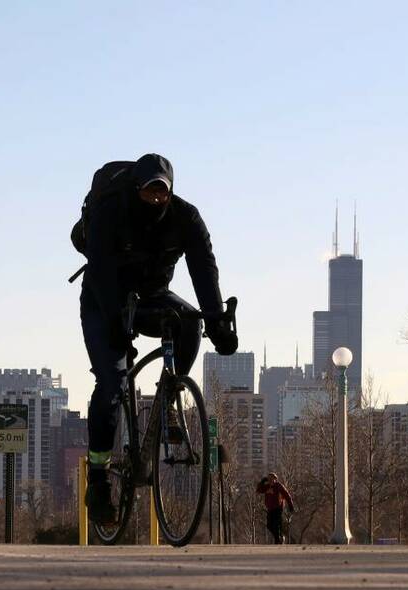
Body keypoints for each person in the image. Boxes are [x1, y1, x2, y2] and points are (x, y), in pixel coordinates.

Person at [75, 154, 238, 524]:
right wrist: (117, 320)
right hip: (104, 300)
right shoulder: (111, 211)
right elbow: (99, 270)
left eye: (161, 194)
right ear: (135, 189)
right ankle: (99, 479)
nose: (155, 200)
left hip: (151, 296)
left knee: (190, 324)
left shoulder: (186, 217)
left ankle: (169, 397)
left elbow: (203, 268)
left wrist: (216, 322)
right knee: (112, 383)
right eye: (148, 193)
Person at [256, 473, 295, 544]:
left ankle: (278, 541)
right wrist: (262, 482)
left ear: (275, 479)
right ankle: (280, 537)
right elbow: (258, 490)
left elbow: (287, 495)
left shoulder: (279, 486)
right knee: (269, 525)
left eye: (271, 478)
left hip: (278, 508)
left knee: (276, 525)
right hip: (270, 508)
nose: (270, 480)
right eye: (268, 479)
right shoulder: (267, 487)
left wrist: (291, 506)